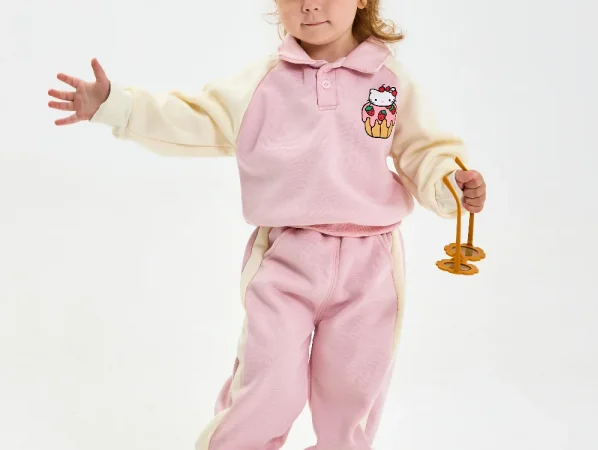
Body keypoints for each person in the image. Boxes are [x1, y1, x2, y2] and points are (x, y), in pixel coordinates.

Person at [48, 1, 487, 449]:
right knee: (269, 388)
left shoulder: (390, 80)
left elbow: (423, 150)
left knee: (353, 394)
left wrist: (450, 184)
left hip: (370, 265)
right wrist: (117, 105)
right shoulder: (263, 83)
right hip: (288, 255)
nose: (309, 5)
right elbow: (196, 118)